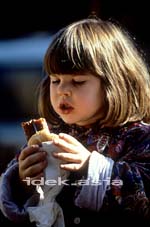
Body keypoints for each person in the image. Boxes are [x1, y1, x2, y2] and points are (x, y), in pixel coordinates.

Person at [0, 16, 150, 227]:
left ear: (114, 83)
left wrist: (91, 166)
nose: (62, 90)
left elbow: (143, 200)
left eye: (78, 81)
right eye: (55, 80)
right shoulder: (51, 137)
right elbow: (26, 208)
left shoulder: (140, 138)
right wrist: (24, 181)